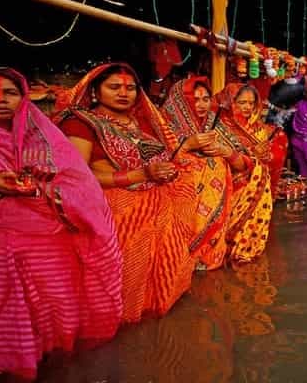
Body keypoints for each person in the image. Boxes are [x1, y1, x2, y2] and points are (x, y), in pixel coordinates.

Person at [0, 67, 122, 380]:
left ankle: (38, 355)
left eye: (9, 92)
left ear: (23, 99)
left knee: (60, 255)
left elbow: (82, 188)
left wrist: (42, 190)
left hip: (45, 235)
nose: (0, 100)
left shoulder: (49, 140)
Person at [55, 63, 229, 322]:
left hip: (160, 194)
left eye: (130, 88)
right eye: (114, 87)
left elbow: (166, 157)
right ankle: (125, 310)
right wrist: (141, 176)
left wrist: (176, 163)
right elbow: (76, 177)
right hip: (113, 196)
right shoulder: (81, 123)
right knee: (137, 235)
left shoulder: (144, 122)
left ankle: (159, 306)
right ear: (95, 91)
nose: (123, 93)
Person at [159, 76, 273, 266]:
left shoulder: (213, 124)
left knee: (258, 172)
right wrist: (187, 145)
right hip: (181, 196)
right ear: (180, 101)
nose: (202, 105)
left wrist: (228, 152)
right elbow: (160, 162)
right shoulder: (165, 127)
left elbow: (244, 162)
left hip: (219, 192)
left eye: (205, 99)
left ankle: (223, 249)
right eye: (195, 99)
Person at [215, 83, 288, 198]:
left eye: (251, 103)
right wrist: (252, 154)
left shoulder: (257, 127)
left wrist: (266, 155)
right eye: (242, 102)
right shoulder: (219, 126)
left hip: (258, 190)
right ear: (229, 102)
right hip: (230, 189)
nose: (248, 107)